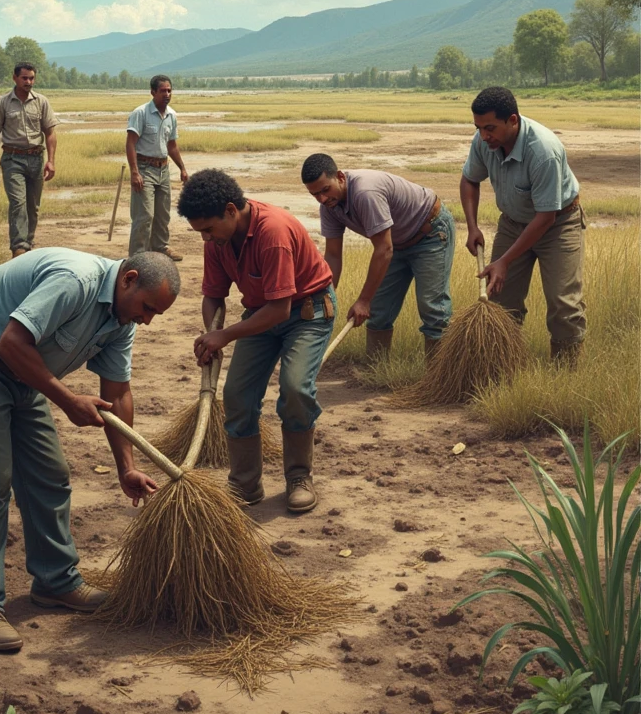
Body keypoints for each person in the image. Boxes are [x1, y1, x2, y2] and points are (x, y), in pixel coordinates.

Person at [0, 248, 180, 652]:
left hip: (21, 367)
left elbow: (118, 393)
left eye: (155, 315)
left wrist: (126, 467)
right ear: (128, 279)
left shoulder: (121, 319)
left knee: (49, 474)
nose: (147, 320)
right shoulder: (76, 280)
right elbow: (12, 341)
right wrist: (67, 400)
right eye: (147, 308)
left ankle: (56, 582)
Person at [178, 169, 335, 514]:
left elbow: (280, 310)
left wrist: (225, 335)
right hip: (260, 314)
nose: (204, 238)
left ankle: (298, 477)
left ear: (232, 210)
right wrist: (211, 335)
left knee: (295, 390)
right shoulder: (218, 241)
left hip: (307, 313)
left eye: (208, 229)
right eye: (199, 231)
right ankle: (245, 484)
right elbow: (214, 296)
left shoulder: (272, 232)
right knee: (237, 395)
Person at [459, 86, 585, 365]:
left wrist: (504, 260)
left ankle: (565, 376)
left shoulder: (543, 151)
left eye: (490, 128)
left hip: (558, 225)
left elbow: (545, 218)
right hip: (512, 223)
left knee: (564, 304)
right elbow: (470, 179)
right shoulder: (483, 142)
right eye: (478, 127)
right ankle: (505, 368)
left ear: (513, 120)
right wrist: (472, 226)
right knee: (501, 301)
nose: (483, 136)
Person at [301, 154, 455, 361]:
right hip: (395, 243)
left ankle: (438, 379)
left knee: (432, 308)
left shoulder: (365, 193)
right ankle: (375, 370)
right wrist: (326, 295)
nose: (322, 198)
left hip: (430, 234)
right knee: (378, 311)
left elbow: (383, 249)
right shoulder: (329, 206)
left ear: (339, 177)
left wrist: (363, 300)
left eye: (325, 190)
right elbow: (333, 256)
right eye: (315, 195)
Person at [0, 63, 58, 257]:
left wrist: (50, 161)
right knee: (18, 203)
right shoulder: (2, 103)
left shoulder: (42, 102)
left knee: (32, 207)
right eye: (24, 78)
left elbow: (50, 133)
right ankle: (19, 249)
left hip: (36, 158)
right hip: (12, 159)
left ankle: (28, 244)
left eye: (31, 78)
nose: (28, 82)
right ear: (15, 78)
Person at [126, 74, 188, 261]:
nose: (167, 94)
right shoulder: (141, 113)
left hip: (163, 170)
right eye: (163, 91)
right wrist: (134, 172)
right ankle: (138, 255)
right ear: (153, 92)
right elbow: (130, 144)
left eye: (169, 90)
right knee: (144, 215)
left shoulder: (171, 115)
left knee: (163, 214)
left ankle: (160, 248)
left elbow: (172, 146)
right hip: (144, 169)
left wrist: (182, 169)